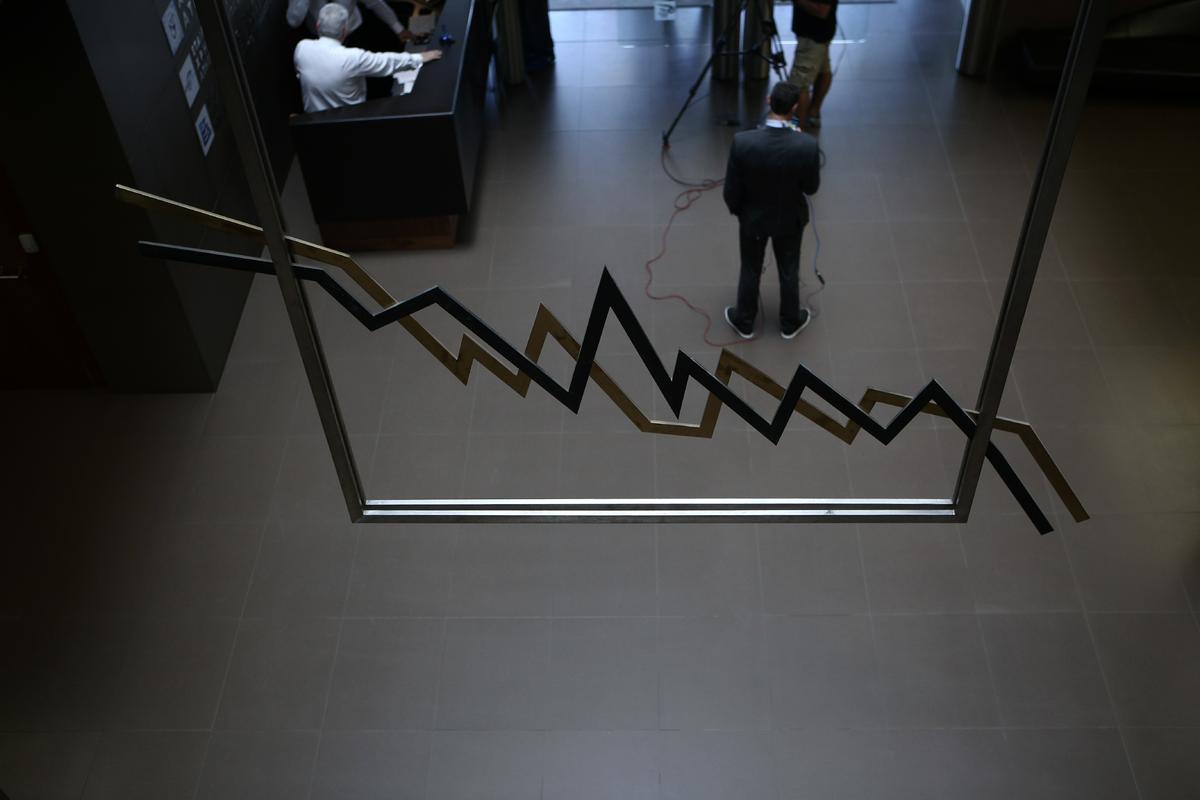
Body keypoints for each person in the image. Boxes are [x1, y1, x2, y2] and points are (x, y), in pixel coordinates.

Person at [722, 82, 822, 340]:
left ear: (769, 101)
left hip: (753, 219)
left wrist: (739, 212)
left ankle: (744, 321)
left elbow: (731, 189)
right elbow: (811, 188)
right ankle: (790, 322)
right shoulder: (807, 145)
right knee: (789, 269)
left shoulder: (743, 142)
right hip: (790, 219)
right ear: (795, 108)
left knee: (750, 268)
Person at [294, 3, 441, 113]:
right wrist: (419, 57)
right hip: (351, 121)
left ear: (318, 25)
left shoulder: (301, 48)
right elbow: (386, 62)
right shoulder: (352, 58)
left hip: (314, 125)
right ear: (344, 31)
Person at [789, 0, 837, 129]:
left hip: (812, 37)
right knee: (823, 69)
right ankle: (813, 114)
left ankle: (795, 131)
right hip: (821, 33)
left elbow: (821, 10)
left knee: (798, 86)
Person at [288, 0, 411, 44]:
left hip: (355, 33)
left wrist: (398, 28)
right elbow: (293, 21)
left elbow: (374, 2)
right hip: (322, 41)